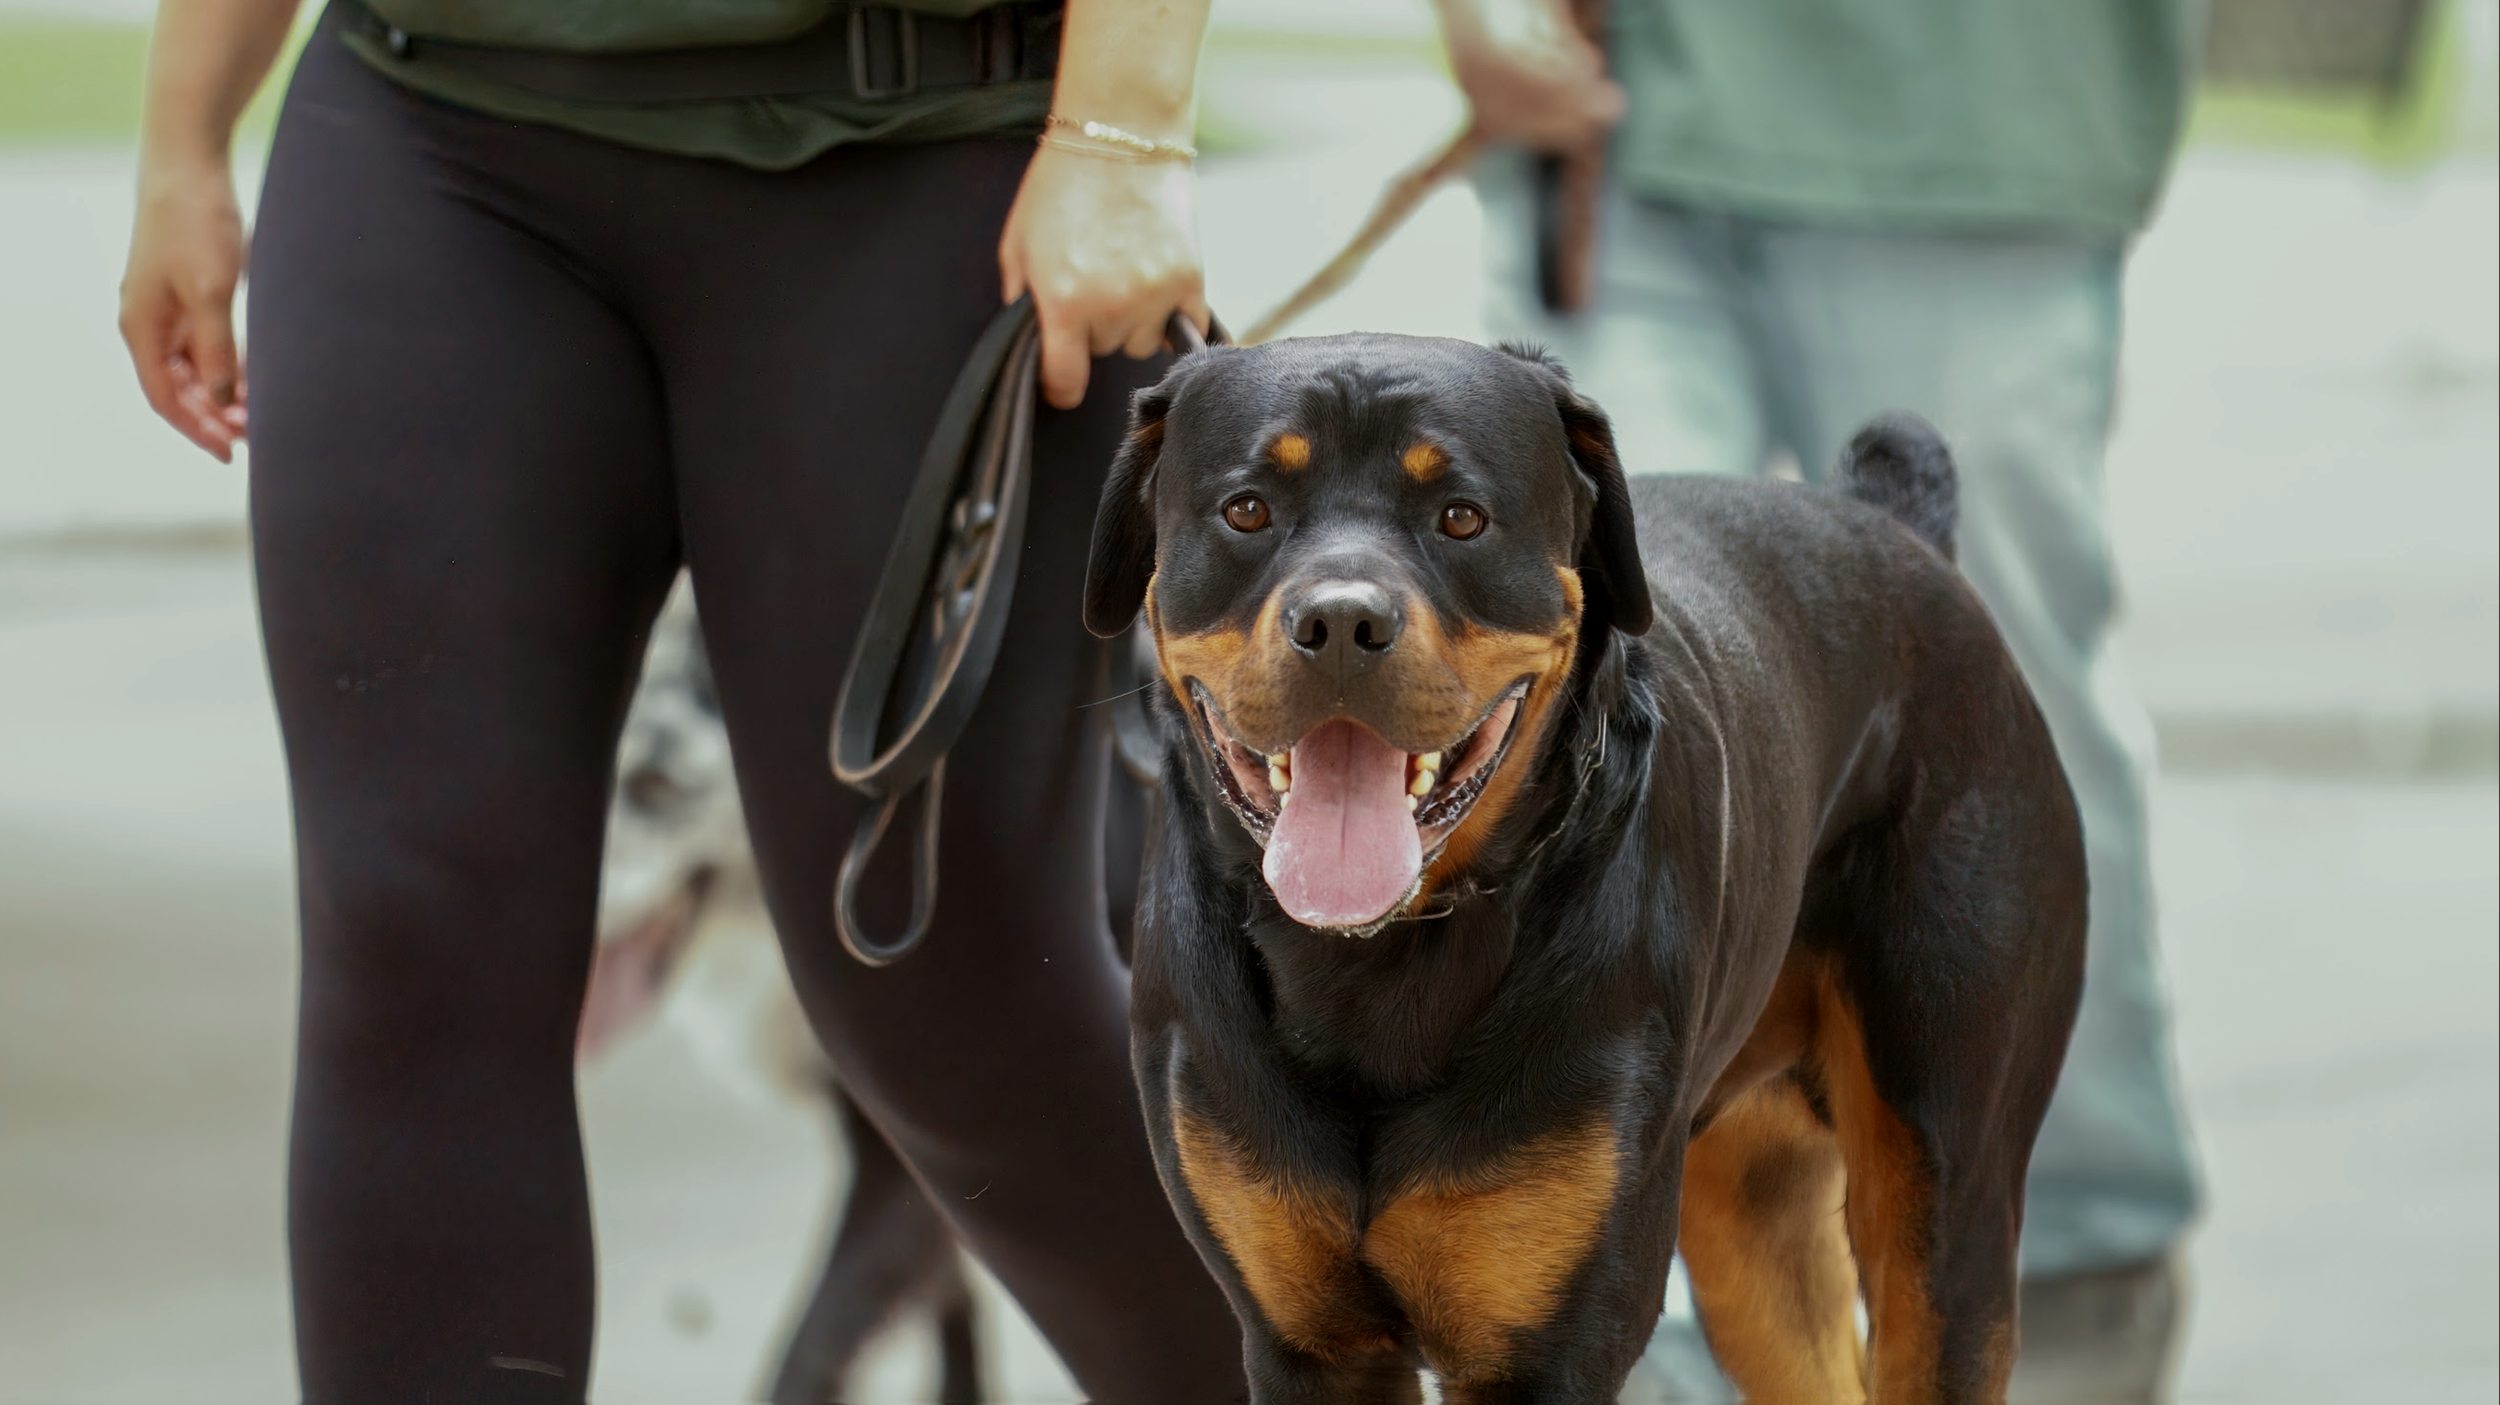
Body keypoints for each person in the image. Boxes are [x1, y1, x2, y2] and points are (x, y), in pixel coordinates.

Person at [116, 0, 1246, 1398]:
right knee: (418, 934)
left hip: (923, 137)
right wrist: (182, 140)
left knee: (946, 988)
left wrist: (1124, 130)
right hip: (433, 131)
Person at [1429, 0, 2206, 1397]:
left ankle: (2078, 1251)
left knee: (1998, 704)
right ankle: (1645, 1291)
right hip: (1620, 119)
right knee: (1597, 688)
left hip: (1986, 129)